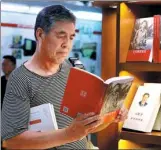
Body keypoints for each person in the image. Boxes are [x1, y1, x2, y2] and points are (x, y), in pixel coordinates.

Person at [1, 5, 128, 150]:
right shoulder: (21, 79)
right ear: (40, 34)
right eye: (61, 36)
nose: (67, 44)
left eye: (71, 37)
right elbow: (11, 141)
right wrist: (69, 134)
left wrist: (111, 116)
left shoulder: (76, 69)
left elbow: (88, 128)